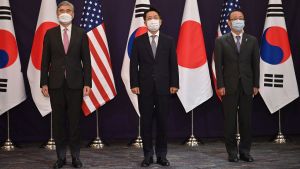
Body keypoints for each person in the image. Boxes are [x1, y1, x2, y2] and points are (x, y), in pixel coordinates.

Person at [40, 1, 91, 168]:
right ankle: (61, 158)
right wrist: (44, 82)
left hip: (76, 85)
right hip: (55, 84)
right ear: (57, 14)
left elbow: (87, 61)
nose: (65, 12)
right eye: (61, 10)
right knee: (59, 123)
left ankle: (76, 157)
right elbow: (44, 60)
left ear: (73, 14)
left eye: (68, 10)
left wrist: (87, 82)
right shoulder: (50, 33)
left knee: (75, 123)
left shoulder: (81, 33)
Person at [130, 7, 179, 167]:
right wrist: (134, 83)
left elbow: (173, 64)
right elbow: (133, 65)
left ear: (160, 21)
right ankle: (148, 156)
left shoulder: (169, 40)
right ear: (144, 22)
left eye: (155, 17)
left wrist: (174, 83)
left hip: (165, 88)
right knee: (146, 124)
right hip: (144, 88)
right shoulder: (138, 41)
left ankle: (162, 155)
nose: (152, 20)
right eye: (149, 18)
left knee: (162, 123)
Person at [214, 9, 259, 163]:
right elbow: (218, 65)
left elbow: (256, 65)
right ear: (229, 22)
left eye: (241, 18)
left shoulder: (252, 40)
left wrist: (256, 84)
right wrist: (220, 85)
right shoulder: (221, 41)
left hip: (247, 86)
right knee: (230, 121)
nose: (238, 20)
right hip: (228, 86)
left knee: (246, 121)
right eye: (235, 18)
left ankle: (245, 152)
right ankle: (232, 152)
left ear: (244, 21)